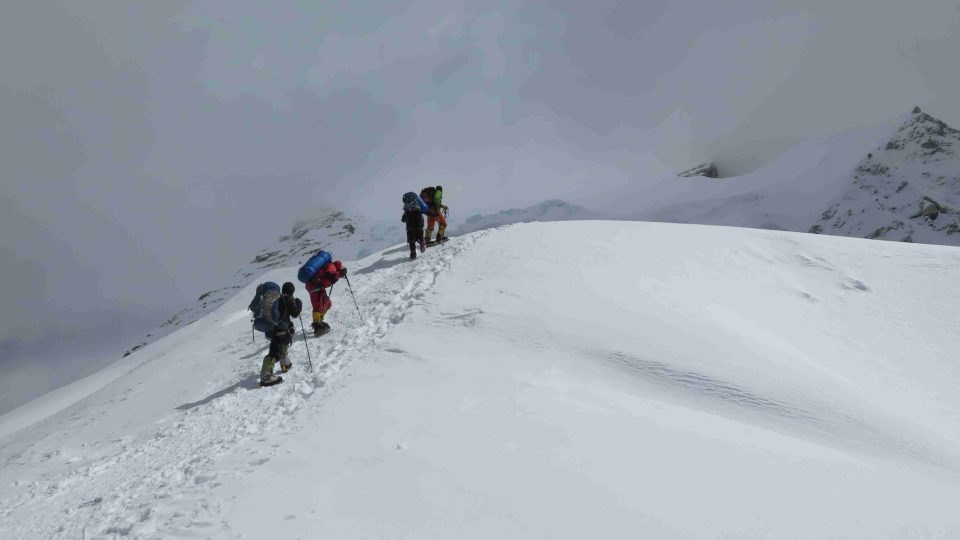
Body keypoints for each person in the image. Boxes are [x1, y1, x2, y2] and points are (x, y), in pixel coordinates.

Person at [260, 282, 302, 386]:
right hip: (281, 329)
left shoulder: (277, 298)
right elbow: (295, 313)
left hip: (272, 329)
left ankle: (285, 364)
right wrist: (299, 303)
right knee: (275, 352)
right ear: (292, 290)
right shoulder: (287, 297)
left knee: (282, 345)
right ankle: (266, 376)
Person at [306, 257, 348, 336]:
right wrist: (340, 274)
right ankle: (317, 326)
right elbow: (331, 275)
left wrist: (339, 274)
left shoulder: (332, 267)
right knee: (318, 306)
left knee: (327, 304)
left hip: (319, 287)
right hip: (314, 286)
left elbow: (330, 277)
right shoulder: (331, 266)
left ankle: (320, 320)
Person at [402, 195, 427, 260]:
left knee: (412, 240)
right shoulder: (418, 206)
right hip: (419, 224)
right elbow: (425, 210)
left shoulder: (406, 208)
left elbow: (403, 219)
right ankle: (422, 244)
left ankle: (413, 253)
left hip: (410, 227)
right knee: (420, 236)